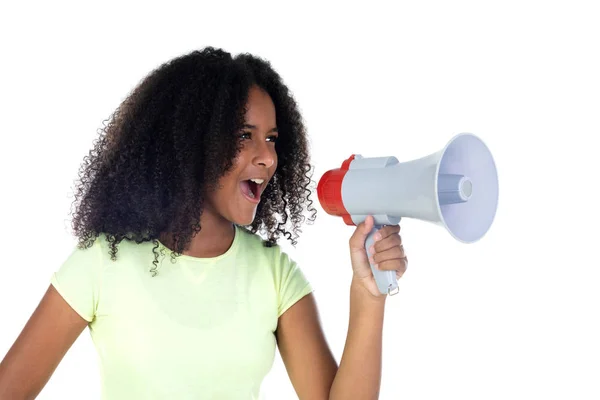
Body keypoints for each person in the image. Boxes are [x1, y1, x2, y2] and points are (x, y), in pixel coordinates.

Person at [0, 47, 407, 399]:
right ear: (194, 141)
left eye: (272, 138)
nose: (267, 157)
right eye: (244, 135)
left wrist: (368, 295)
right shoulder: (102, 262)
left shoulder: (274, 274)